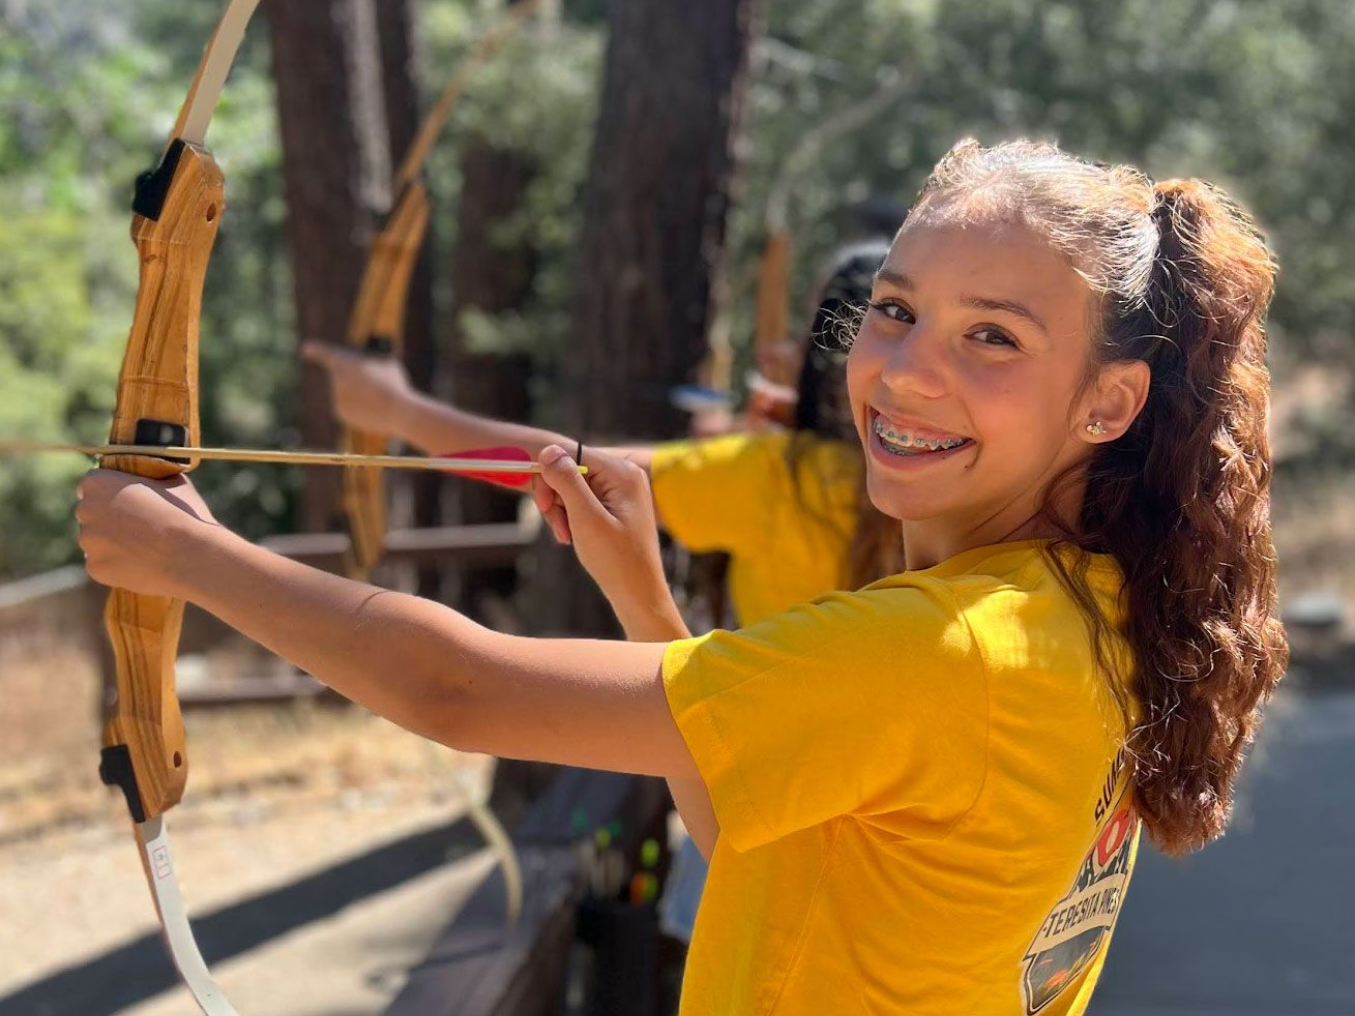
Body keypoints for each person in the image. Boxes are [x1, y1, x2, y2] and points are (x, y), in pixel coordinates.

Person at [77, 139, 1288, 1015]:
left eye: (992, 337)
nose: (904, 372)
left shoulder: (952, 649)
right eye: (893, 311)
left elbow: (455, 689)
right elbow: (763, 837)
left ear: (1109, 401)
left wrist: (183, 549)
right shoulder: (1094, 602)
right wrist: (645, 601)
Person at [300, 238, 903, 629]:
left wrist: (396, 409)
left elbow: (562, 470)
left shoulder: (777, 477)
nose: (782, 350)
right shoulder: (931, 481)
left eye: (809, 335)